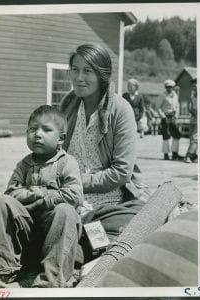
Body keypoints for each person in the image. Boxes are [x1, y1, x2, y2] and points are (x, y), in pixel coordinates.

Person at [60, 44, 149, 264]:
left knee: (102, 248)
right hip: (69, 198)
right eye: (75, 69)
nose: (79, 78)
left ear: (102, 75)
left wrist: (78, 181)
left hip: (108, 203)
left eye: (87, 71)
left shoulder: (121, 109)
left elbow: (121, 173)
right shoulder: (68, 104)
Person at [0, 105, 83, 288]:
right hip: (27, 231)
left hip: (57, 233)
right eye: (33, 129)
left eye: (46, 129)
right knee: (2, 202)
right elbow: (12, 192)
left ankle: (50, 279)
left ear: (61, 138)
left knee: (65, 210)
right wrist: (29, 194)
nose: (37, 134)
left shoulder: (67, 162)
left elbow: (74, 195)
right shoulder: (24, 164)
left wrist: (42, 195)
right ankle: (2, 271)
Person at [158, 79, 183, 160]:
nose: (169, 88)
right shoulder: (162, 95)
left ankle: (175, 153)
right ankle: (166, 154)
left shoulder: (175, 95)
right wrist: (163, 117)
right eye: (168, 87)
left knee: (177, 135)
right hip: (165, 117)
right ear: (165, 87)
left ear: (173, 87)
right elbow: (157, 107)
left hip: (173, 117)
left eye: (171, 87)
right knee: (166, 136)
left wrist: (176, 115)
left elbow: (177, 106)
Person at [184, 78, 198, 163]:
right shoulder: (192, 97)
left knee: (195, 137)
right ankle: (194, 156)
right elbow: (190, 108)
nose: (194, 87)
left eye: (195, 85)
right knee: (191, 137)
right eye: (193, 86)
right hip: (193, 118)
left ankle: (188, 156)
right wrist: (192, 111)